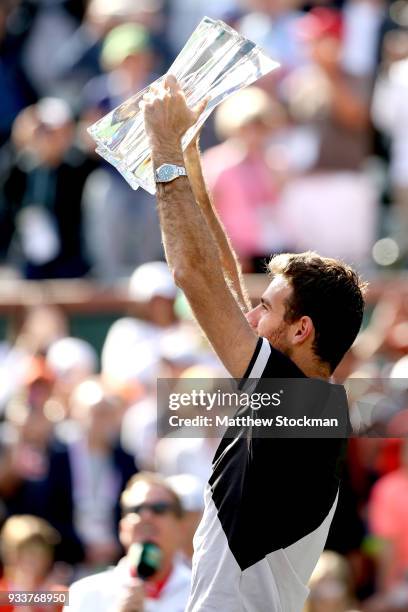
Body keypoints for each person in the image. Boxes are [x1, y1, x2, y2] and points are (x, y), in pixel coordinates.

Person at [141, 74, 367, 611]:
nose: (250, 314)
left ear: (300, 330)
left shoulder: (300, 406)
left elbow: (194, 276)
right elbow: (222, 279)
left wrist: (165, 150)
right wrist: (194, 177)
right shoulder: (302, 400)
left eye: (266, 308)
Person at [65, 472, 191, 611]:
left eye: (159, 508)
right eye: (135, 509)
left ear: (181, 527)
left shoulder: (203, 592)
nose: (146, 516)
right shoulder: (85, 593)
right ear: (122, 528)